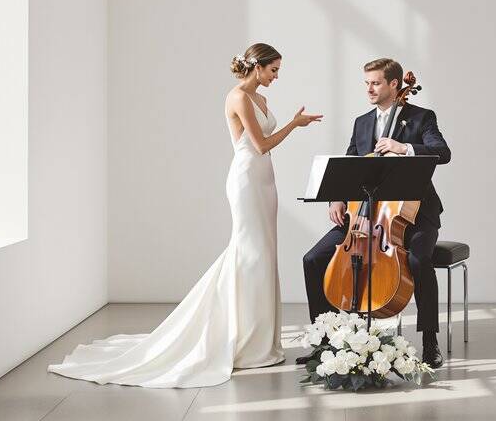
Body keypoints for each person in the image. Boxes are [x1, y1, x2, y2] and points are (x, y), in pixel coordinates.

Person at [49, 43, 322, 387]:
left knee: (263, 255)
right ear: (258, 67)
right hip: (246, 179)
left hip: (265, 180)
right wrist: (295, 124)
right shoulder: (238, 97)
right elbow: (261, 145)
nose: (276, 76)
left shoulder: (261, 99)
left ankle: (260, 340)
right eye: (274, 70)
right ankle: (244, 341)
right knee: (250, 254)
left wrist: (292, 123)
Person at [299, 58, 450, 369]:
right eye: (366, 83)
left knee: (419, 261)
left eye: (376, 83)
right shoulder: (362, 122)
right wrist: (337, 198)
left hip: (414, 214)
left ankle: (430, 341)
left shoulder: (421, 117)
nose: (369, 89)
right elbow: (351, 161)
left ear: (395, 85)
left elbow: (442, 152)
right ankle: (325, 340)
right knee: (313, 259)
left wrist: (403, 147)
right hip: (366, 216)